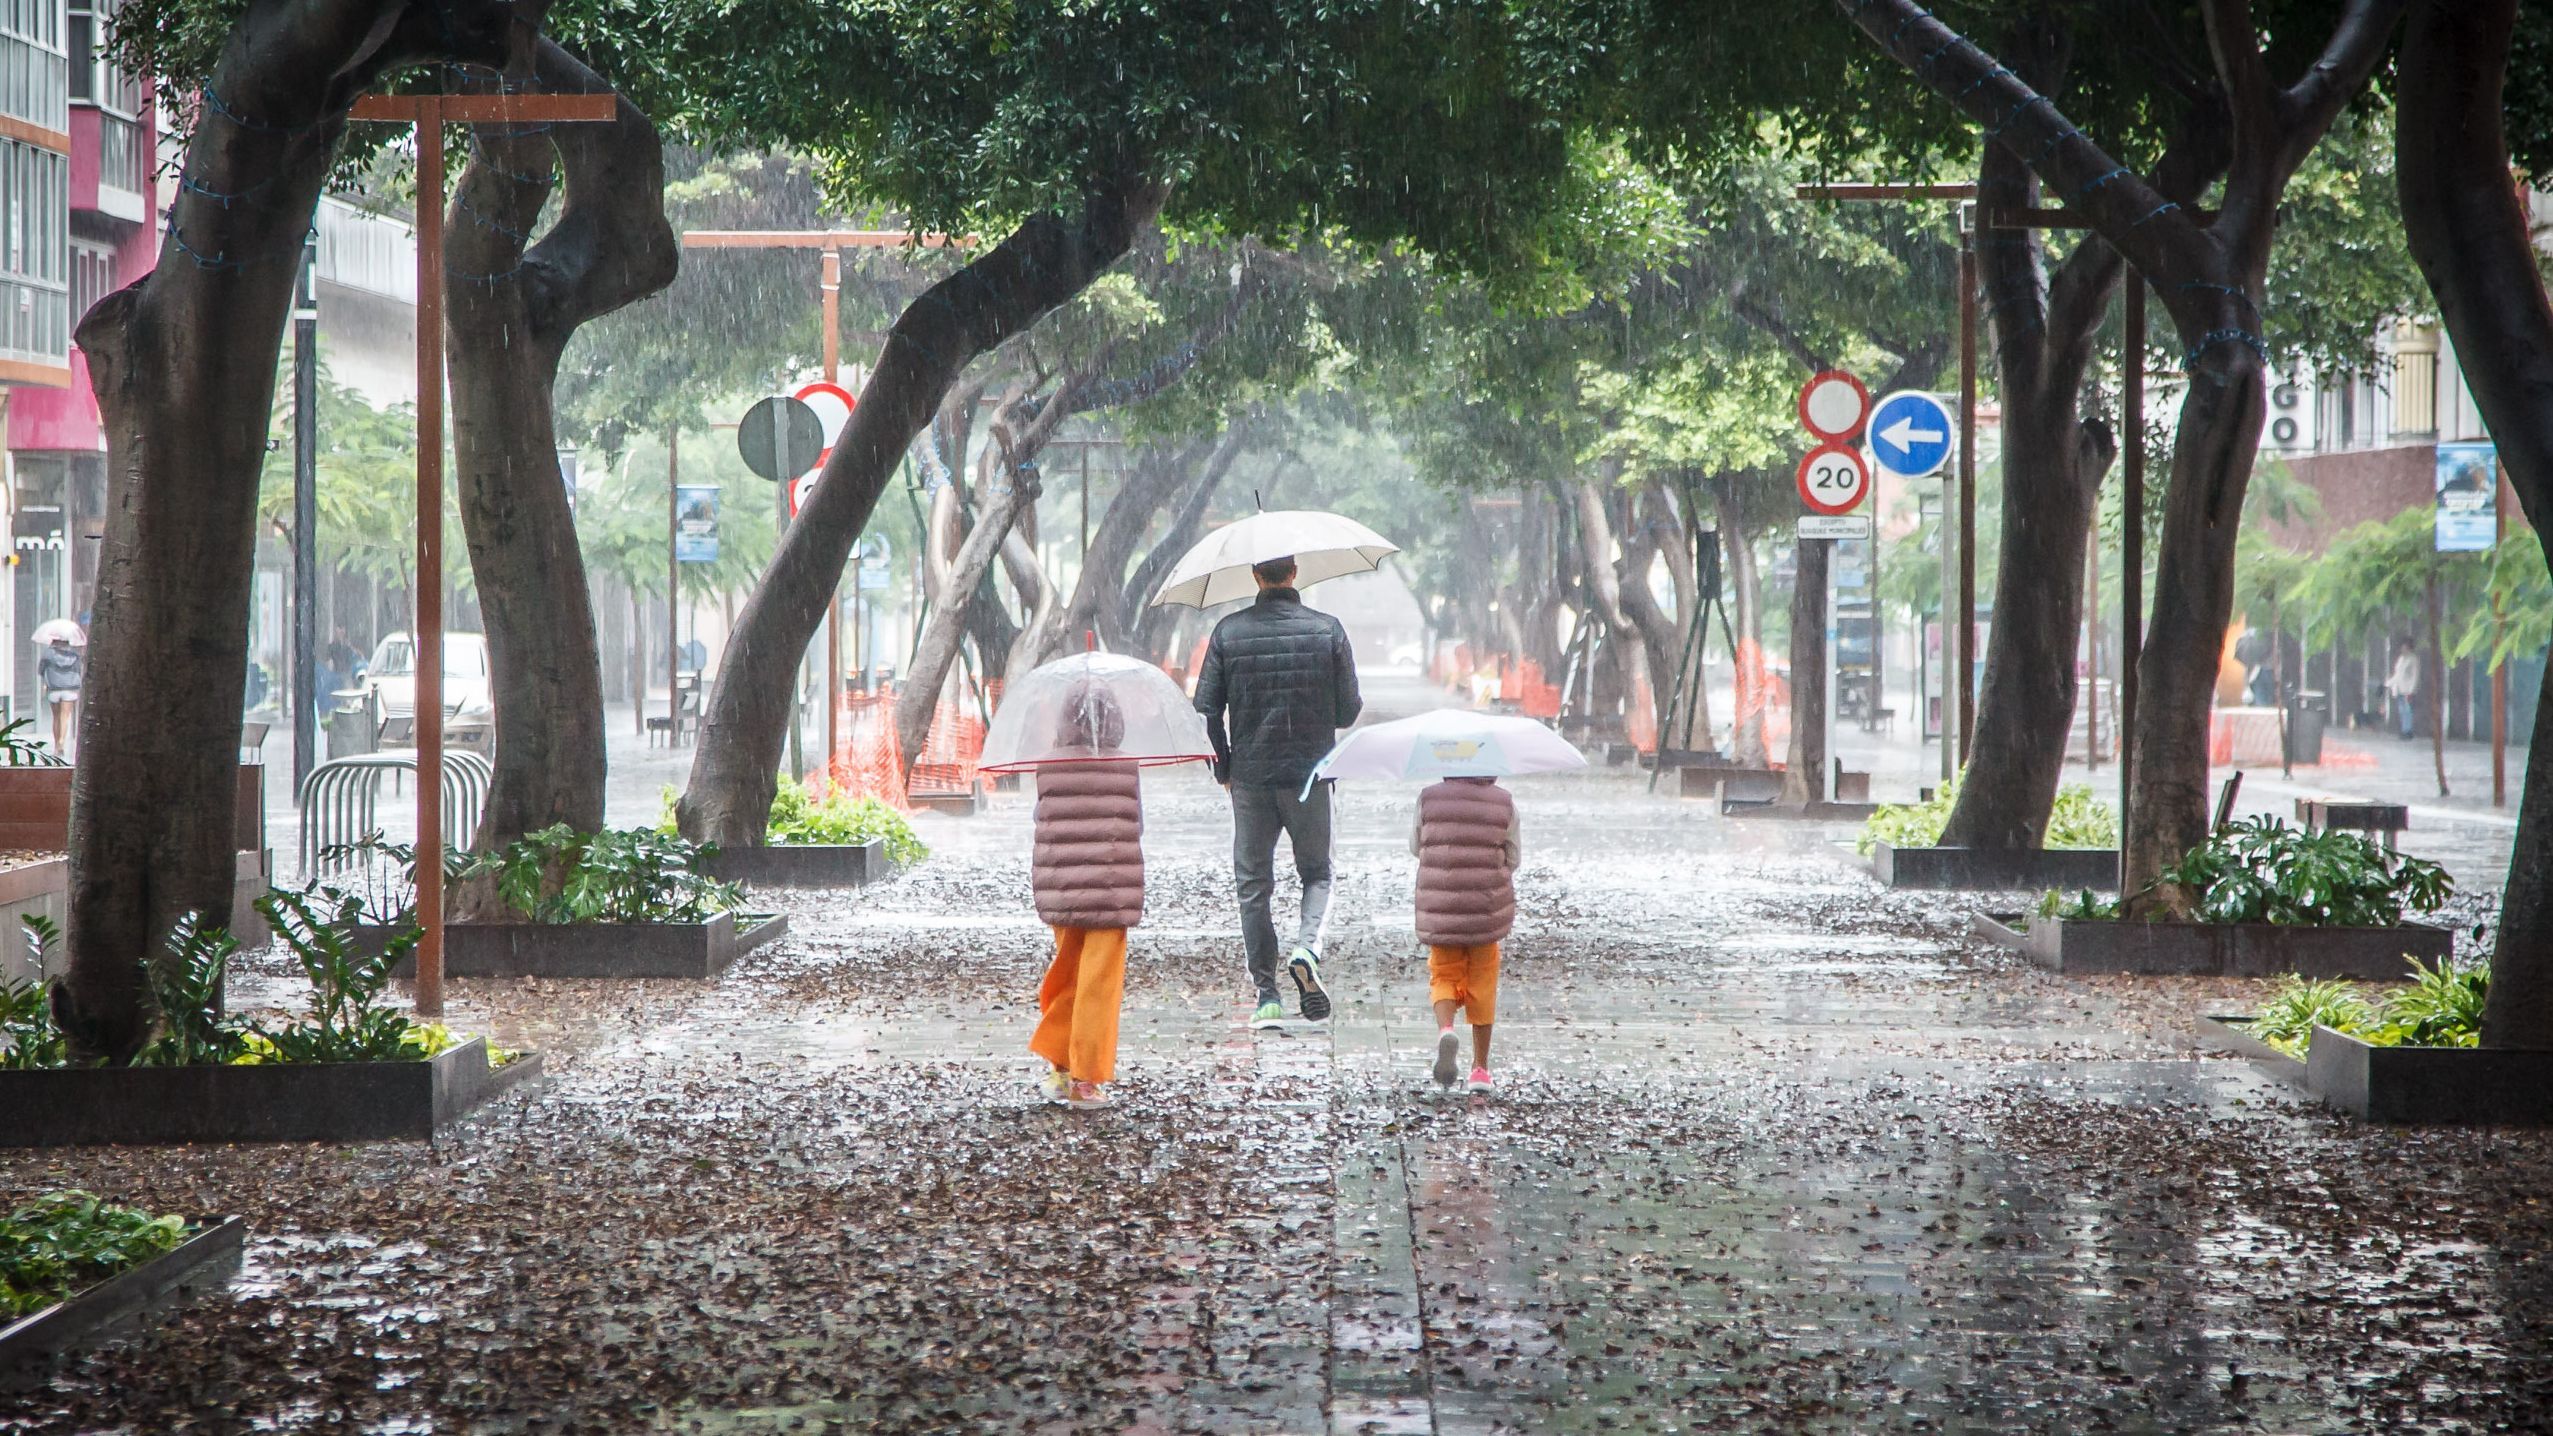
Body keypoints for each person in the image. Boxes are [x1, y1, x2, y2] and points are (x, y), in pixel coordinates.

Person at [1193, 555, 1362, 1028]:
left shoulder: (1228, 633)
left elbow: (1207, 710)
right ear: (1294, 573)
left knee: (1253, 885)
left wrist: (1224, 768)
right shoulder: (1327, 630)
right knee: (1318, 873)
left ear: (1255, 576)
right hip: (1311, 777)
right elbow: (1348, 711)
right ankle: (1307, 949)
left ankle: (1267, 996)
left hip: (1250, 780)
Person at [1028, 682, 1145, 1110]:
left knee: (1068, 974)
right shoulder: (1125, 766)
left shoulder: (1048, 766)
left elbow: (1041, 819)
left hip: (1063, 888)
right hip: (1111, 891)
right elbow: (1137, 824)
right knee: (1099, 983)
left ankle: (1059, 1067)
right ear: (1115, 720)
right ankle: (1086, 1079)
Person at [1412, 774, 1521, 1095]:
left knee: (1443, 974)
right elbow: (1514, 856)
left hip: (1442, 907)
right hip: (1486, 908)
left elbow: (1416, 846)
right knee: (1483, 984)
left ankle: (1446, 1029)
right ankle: (1480, 1070)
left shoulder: (1428, 798)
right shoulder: (1504, 802)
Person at [37, 636, 80, 758]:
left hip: (54, 688)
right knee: (64, 717)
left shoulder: (48, 654)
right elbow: (78, 670)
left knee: (56, 717)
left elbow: (40, 670)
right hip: (70, 688)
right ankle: (62, 741)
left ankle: (56, 745)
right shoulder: (74, 654)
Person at [2385, 640, 2420, 740]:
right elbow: (2397, 675)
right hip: (2399, 688)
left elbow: (2415, 676)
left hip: (2407, 689)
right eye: (2402, 647)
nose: (2403, 649)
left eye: (2405, 647)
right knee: (2402, 710)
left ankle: (2408, 731)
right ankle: (2404, 729)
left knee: (2407, 710)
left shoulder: (2413, 659)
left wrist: (2411, 690)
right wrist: (2387, 684)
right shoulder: (2401, 659)